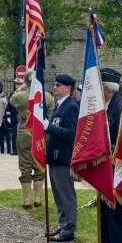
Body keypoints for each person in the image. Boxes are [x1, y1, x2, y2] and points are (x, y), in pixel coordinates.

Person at [9, 70, 54, 209]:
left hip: (24, 132)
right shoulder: (47, 97)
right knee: (39, 164)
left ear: (27, 82)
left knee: (25, 165)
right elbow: (51, 114)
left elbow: (12, 99)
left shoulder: (22, 96)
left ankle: (27, 200)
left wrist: (23, 86)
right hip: (40, 133)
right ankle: (37, 199)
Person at [100, 68, 122, 243]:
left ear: (106, 89)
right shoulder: (107, 107)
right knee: (106, 214)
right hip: (107, 169)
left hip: (118, 171)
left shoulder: (120, 107)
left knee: (118, 215)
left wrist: (103, 149)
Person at [44, 74, 79, 242]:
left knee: (66, 195)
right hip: (55, 156)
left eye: (58, 85)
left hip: (64, 156)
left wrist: (48, 127)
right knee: (58, 194)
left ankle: (69, 228)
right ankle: (63, 224)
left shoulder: (71, 106)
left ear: (67, 88)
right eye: (55, 84)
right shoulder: (60, 105)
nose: (55, 87)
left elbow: (71, 133)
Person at [6, 78, 24, 155]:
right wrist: (8, 116)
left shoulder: (24, 93)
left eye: (19, 84)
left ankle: (22, 151)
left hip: (22, 117)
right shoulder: (12, 94)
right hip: (13, 117)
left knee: (23, 135)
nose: (18, 86)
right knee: (14, 135)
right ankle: (15, 150)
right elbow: (9, 107)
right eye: (16, 84)